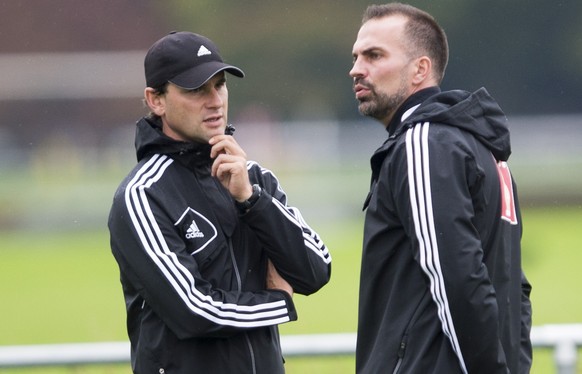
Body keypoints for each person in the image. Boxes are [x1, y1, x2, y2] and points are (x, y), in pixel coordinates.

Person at [108, 31, 331, 374]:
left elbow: (316, 270)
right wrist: (277, 303)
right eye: (196, 90)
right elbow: (194, 311)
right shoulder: (142, 195)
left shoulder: (255, 178)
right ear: (156, 100)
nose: (215, 100)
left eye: (220, 84)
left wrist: (251, 201)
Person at [349, 3, 532, 373]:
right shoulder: (482, 149)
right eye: (356, 57)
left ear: (420, 69)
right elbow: (516, 291)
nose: (356, 69)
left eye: (374, 55)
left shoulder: (424, 143)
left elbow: (455, 278)